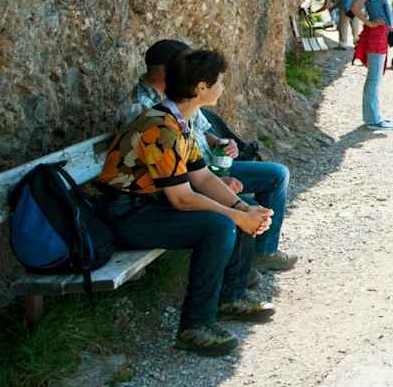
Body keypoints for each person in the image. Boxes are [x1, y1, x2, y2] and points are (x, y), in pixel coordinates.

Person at [87, 49, 276, 356]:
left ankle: (229, 298)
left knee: (234, 210)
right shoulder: (160, 128)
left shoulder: (178, 121)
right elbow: (182, 199)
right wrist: (235, 215)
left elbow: (202, 179)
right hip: (122, 216)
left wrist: (243, 208)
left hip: (146, 207)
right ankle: (194, 327)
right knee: (218, 224)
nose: (223, 88)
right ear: (201, 88)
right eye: (220, 82)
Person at [118, 40, 297, 272]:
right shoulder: (145, 110)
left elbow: (201, 131)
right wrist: (235, 205)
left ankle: (258, 258)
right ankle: (236, 284)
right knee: (232, 217)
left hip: (201, 169)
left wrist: (221, 143)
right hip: (168, 189)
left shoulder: (179, 103)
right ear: (170, 70)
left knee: (271, 180)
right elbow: (170, 177)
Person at [353, 0, 393, 130]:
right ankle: (372, 120)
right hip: (376, 35)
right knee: (373, 79)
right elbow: (355, 6)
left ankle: (375, 116)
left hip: (382, 35)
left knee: (376, 78)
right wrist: (369, 23)